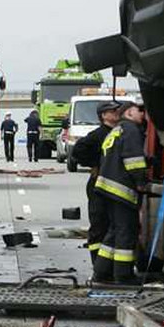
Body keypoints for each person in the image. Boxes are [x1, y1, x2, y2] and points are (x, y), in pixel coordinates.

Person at [93, 102, 148, 284]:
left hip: (107, 187)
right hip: (121, 189)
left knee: (114, 232)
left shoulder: (118, 129)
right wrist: (140, 181)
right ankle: (124, 275)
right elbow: (133, 160)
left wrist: (150, 161)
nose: (143, 114)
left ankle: (102, 272)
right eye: (140, 110)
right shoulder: (132, 129)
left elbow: (119, 154)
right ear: (130, 112)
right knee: (126, 231)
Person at [70, 101, 121, 269]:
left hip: (113, 184)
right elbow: (77, 151)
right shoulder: (98, 135)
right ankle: (97, 263)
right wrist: (95, 164)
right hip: (98, 184)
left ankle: (108, 264)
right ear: (103, 116)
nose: (116, 114)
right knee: (99, 224)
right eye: (112, 112)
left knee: (112, 224)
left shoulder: (119, 133)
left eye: (117, 111)